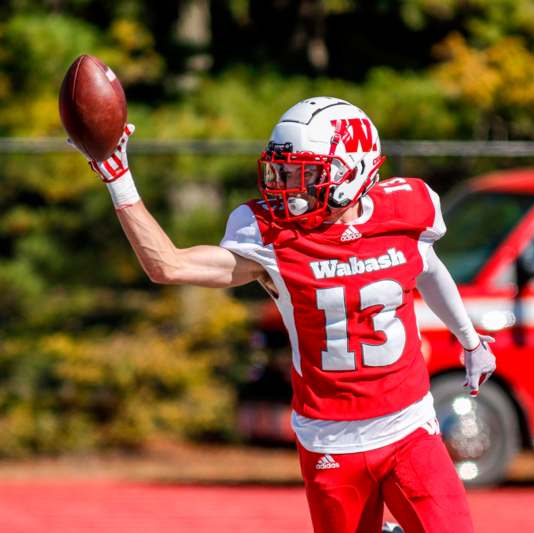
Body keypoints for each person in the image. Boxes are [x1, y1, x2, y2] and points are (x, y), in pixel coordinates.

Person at [72, 97, 496, 533]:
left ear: (351, 170)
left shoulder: (406, 210)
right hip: (330, 439)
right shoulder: (273, 239)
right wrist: (118, 178)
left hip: (409, 427)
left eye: (305, 173)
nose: (287, 188)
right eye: (283, 172)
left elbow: (427, 265)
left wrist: (470, 340)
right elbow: (168, 265)